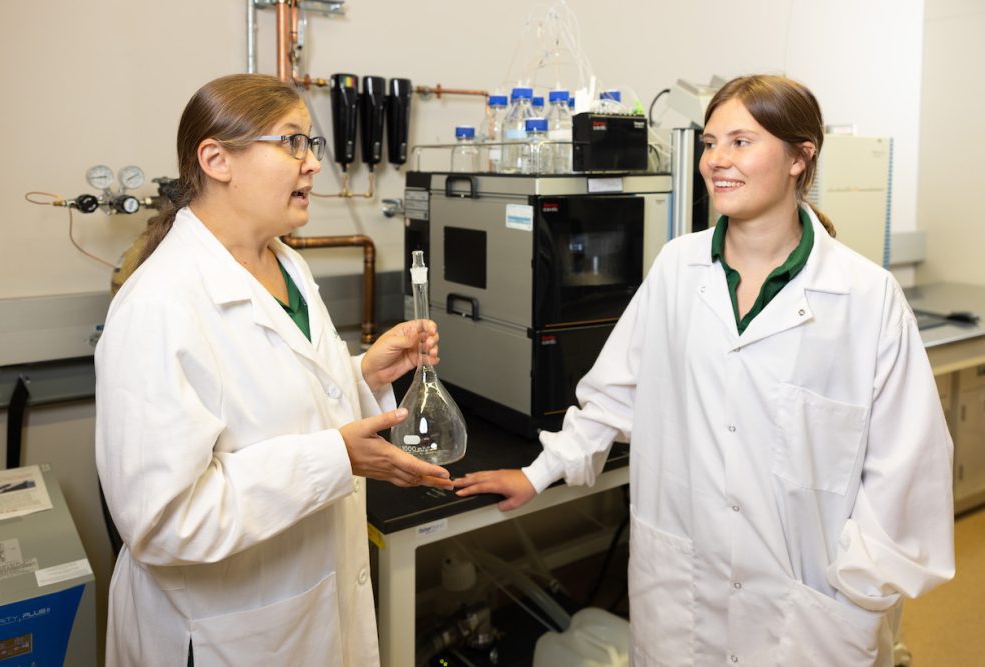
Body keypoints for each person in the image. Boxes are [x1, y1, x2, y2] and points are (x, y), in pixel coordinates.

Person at [453, 74, 955, 665]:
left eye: (741, 142)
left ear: (800, 157)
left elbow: (907, 471)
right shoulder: (677, 269)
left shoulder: (866, 298)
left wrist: (853, 595)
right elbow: (614, 394)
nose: (717, 160)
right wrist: (540, 472)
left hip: (809, 620)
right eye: (711, 143)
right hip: (681, 606)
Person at [95, 73, 453, 667]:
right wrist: (336, 458)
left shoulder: (283, 264)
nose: (312, 164)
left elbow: (281, 397)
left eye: (311, 144)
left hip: (305, 609)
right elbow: (163, 523)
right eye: (292, 143)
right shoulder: (157, 306)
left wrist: (364, 373)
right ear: (216, 159)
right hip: (219, 638)